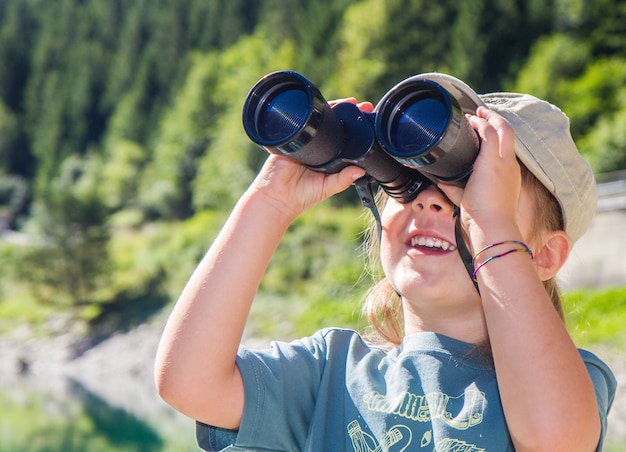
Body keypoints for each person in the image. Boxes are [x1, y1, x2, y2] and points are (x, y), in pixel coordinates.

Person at [154, 73, 616, 451]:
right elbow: (188, 382)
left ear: (546, 254)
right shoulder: (328, 374)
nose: (430, 203)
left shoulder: (566, 381)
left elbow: (556, 438)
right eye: (407, 182)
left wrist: (489, 225)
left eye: (472, 187)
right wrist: (270, 201)